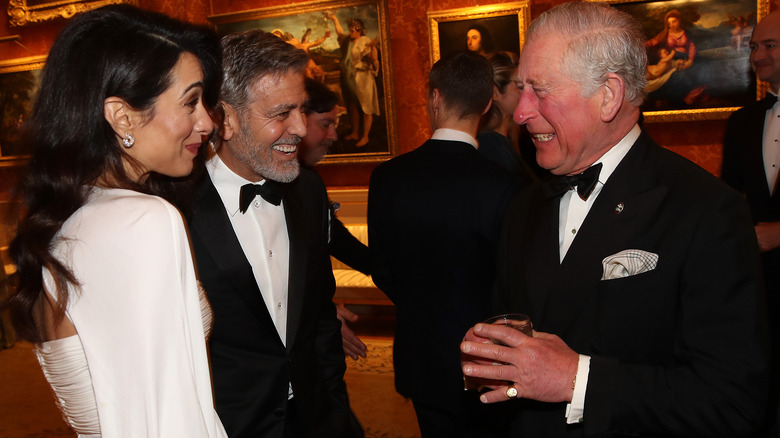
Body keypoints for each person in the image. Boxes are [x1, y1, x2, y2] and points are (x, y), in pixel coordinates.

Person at [460, 2, 769, 437]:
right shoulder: (525, 204)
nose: (521, 111)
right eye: (520, 89)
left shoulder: (706, 211)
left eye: (540, 90)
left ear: (608, 94)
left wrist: (577, 380)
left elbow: (732, 403)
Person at [0, 4, 227, 437]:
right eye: (191, 101)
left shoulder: (75, 215)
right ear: (122, 117)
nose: (207, 122)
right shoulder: (143, 222)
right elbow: (165, 420)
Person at [186, 30, 363, 438]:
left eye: (301, 109)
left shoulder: (309, 191)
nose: (300, 128)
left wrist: (334, 408)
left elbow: (320, 315)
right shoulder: (174, 210)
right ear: (224, 119)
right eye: (281, 113)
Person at [368, 50, 522, 437]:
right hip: (487, 359)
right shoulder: (505, 186)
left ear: (434, 97)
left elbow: (382, 269)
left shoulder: (387, 176)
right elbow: (513, 283)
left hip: (419, 354)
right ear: (488, 104)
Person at [721, 10, 780, 437]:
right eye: (754, 46)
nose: (757, 54)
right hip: (761, 287)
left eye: (769, 45)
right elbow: (728, 199)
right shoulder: (742, 121)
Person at [300, 77, 368, 360]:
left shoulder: (309, 182)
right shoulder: (285, 184)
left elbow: (336, 239)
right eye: (325, 124)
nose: (333, 136)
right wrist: (321, 312)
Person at [477, 51, 537, 185]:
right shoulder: (489, 144)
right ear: (495, 93)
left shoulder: (510, 140)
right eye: (519, 86)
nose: (526, 93)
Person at [326, 12, 380, 148]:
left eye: (352, 31)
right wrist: (334, 19)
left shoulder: (365, 40)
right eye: (349, 30)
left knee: (366, 107)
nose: (350, 33)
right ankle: (355, 133)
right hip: (349, 79)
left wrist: (372, 47)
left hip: (363, 79)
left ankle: (365, 136)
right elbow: (339, 32)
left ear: (359, 31)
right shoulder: (347, 41)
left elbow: (373, 59)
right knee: (352, 105)